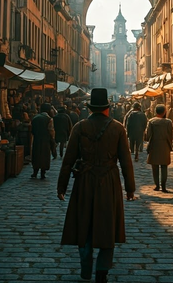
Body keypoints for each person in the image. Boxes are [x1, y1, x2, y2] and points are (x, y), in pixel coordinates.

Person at [57, 88, 135, 283]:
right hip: (108, 181)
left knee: (85, 223)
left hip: (85, 180)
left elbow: (68, 160)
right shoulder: (117, 128)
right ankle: (102, 270)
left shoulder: (80, 127)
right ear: (107, 108)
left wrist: (62, 186)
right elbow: (126, 161)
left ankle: (86, 267)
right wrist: (130, 188)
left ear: (90, 108)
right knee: (108, 225)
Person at [145, 104, 173, 192]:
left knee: (155, 167)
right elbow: (171, 135)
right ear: (164, 112)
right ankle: (164, 186)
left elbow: (148, 135)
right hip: (165, 145)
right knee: (164, 167)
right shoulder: (168, 122)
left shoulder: (151, 121)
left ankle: (157, 185)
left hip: (154, 145)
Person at [30, 103, 55, 179]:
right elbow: (51, 130)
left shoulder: (35, 118)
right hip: (45, 140)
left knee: (36, 155)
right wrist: (52, 138)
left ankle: (35, 172)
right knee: (44, 156)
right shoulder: (49, 119)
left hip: (36, 139)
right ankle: (42, 173)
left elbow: (32, 130)